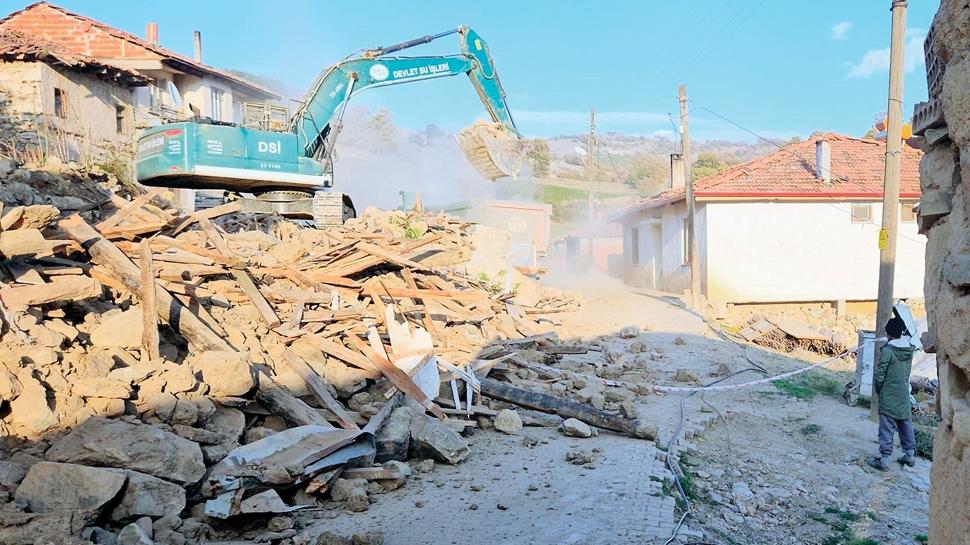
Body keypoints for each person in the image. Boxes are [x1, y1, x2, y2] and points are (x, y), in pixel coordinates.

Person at [868, 316, 917, 471]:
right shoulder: (908, 350)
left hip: (889, 394)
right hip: (904, 393)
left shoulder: (888, 351)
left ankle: (884, 460)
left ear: (888, 333)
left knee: (886, 428)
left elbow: (880, 375)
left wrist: (879, 390)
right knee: (905, 423)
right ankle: (909, 455)